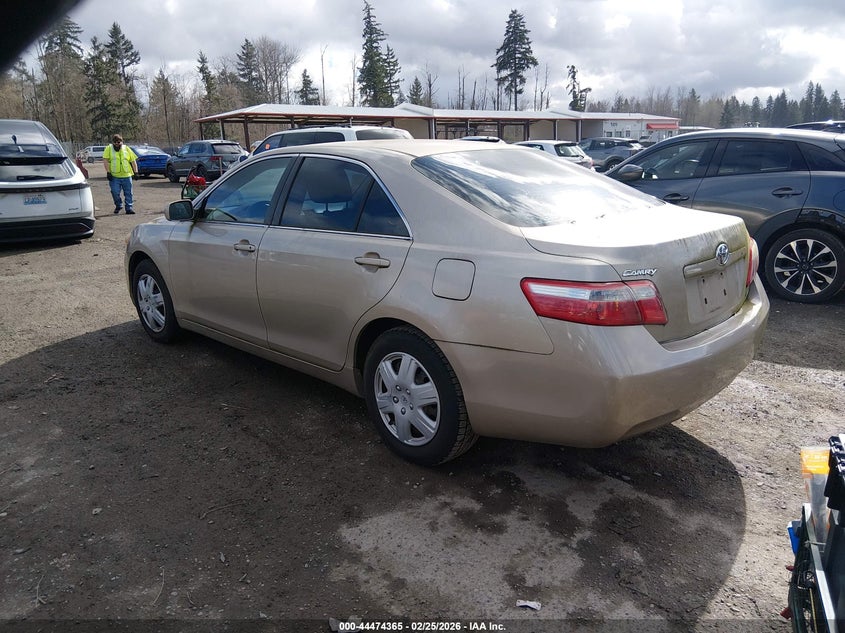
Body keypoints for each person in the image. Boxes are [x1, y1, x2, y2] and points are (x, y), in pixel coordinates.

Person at [102, 134, 139, 214]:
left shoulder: (127, 148)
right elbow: (105, 161)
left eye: (118, 142)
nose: (117, 144)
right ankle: (118, 205)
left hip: (127, 175)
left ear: (122, 142)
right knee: (115, 192)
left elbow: (133, 161)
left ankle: (129, 208)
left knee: (128, 193)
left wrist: (136, 172)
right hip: (114, 176)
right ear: (113, 142)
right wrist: (108, 172)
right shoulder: (108, 148)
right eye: (115, 142)